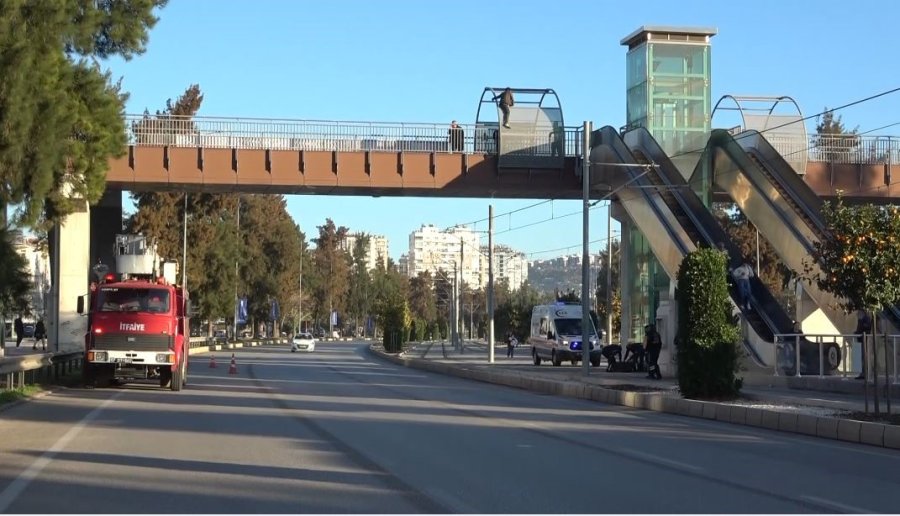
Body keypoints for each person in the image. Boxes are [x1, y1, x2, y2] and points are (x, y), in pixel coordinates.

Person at [854, 309, 872, 380]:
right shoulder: (861, 319)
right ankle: (862, 373)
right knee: (861, 356)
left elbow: (867, 328)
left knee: (863, 356)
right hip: (860, 339)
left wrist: (861, 321)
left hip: (864, 339)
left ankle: (864, 373)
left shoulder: (865, 319)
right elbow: (860, 328)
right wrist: (856, 332)